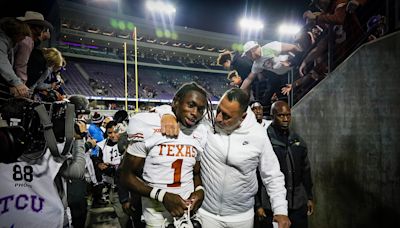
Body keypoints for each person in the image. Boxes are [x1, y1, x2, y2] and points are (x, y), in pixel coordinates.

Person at [159, 88, 291, 228]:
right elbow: (179, 105)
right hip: (206, 214)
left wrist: (281, 210)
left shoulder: (258, 135)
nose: (218, 118)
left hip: (241, 217)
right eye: (219, 110)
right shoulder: (207, 123)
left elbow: (272, 175)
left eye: (227, 116)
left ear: (243, 117)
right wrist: (166, 113)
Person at [120, 82, 212, 227]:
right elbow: (125, 176)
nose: (195, 113)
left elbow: (195, 173)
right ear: (176, 102)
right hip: (156, 217)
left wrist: (199, 190)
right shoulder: (149, 125)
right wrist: (162, 196)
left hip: (187, 215)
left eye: (200, 109)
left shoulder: (200, 131)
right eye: (191, 105)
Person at [255, 101, 314, 228]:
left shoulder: (297, 140)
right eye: (281, 115)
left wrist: (309, 197)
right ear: (272, 116)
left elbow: (306, 171)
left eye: (288, 115)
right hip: (271, 207)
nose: (286, 119)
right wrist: (258, 205)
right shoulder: (264, 141)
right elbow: (255, 176)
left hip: (297, 204)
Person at [0, 17, 31, 98]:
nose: (24, 38)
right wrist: (18, 83)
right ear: (15, 33)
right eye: (23, 35)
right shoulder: (2, 42)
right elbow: (2, 63)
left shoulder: (10, 44)